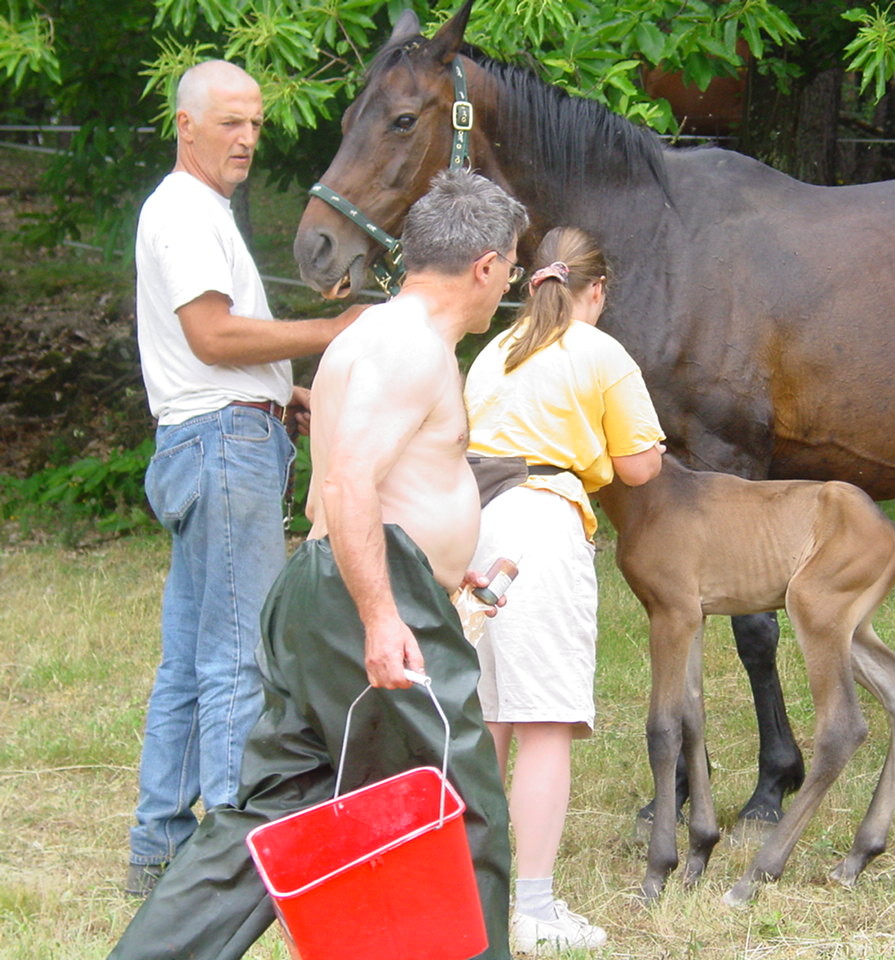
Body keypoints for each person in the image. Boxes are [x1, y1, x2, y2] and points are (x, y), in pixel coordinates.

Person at [107, 168, 528, 960]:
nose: (506, 279)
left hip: (340, 583)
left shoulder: (381, 338)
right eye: (509, 265)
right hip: (367, 592)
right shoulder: (408, 346)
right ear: (484, 266)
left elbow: (369, 489)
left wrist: (443, 573)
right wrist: (382, 612)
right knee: (461, 799)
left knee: (282, 809)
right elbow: (347, 482)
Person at [127, 59, 366, 896]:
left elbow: (223, 352)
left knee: (190, 655)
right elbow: (214, 337)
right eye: (230, 122)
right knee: (239, 655)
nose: (247, 139)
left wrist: (284, 395)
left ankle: (159, 843)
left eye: (256, 124)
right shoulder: (188, 213)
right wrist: (332, 330)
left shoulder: (195, 210)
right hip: (222, 447)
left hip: (210, 437)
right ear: (185, 124)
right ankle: (232, 861)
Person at [464, 226, 666, 952]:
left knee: (487, 714)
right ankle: (535, 908)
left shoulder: (493, 352)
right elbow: (641, 465)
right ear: (597, 290)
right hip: (543, 530)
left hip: (475, 530)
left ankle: (473, 895)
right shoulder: (598, 351)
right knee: (545, 720)